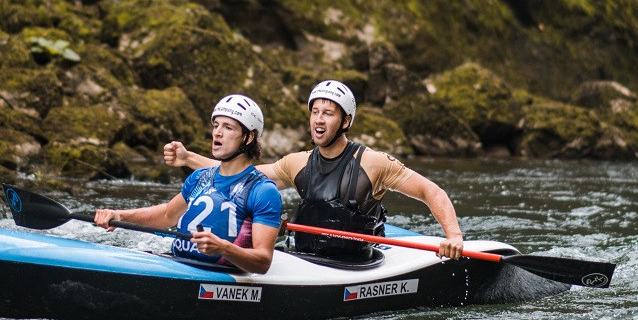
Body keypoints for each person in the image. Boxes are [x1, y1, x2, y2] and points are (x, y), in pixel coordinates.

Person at [163, 80, 464, 263]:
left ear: (345, 121)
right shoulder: (297, 163)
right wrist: (189, 158)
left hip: (357, 261)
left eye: (328, 113)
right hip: (308, 258)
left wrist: (453, 237)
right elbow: (240, 172)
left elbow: (431, 191)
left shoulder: (373, 163)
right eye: (315, 112)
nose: (318, 120)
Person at [94, 94, 282, 274]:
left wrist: (223, 248)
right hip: (177, 264)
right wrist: (120, 216)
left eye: (228, 127)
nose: (217, 132)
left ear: (248, 137)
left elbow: (263, 262)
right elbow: (167, 215)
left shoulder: (263, 190)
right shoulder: (200, 176)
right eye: (216, 125)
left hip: (219, 276)